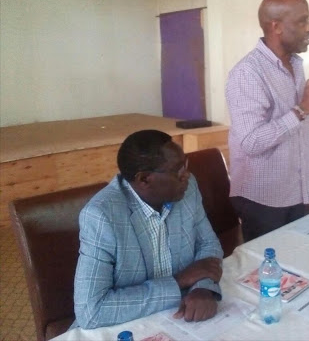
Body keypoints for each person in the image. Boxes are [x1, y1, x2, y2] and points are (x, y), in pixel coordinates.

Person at [73, 130, 223, 329]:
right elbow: (91, 311)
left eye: (185, 164)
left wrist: (202, 287)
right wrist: (179, 281)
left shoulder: (187, 189)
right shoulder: (101, 216)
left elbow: (208, 244)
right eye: (177, 169)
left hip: (180, 315)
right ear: (144, 179)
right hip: (124, 325)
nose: (186, 175)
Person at [225, 0, 309, 242]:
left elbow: (298, 137)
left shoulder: (295, 64)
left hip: (299, 192)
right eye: (302, 21)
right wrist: (302, 108)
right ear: (276, 26)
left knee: (304, 266)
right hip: (264, 198)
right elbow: (251, 142)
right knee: (271, 274)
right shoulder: (247, 73)